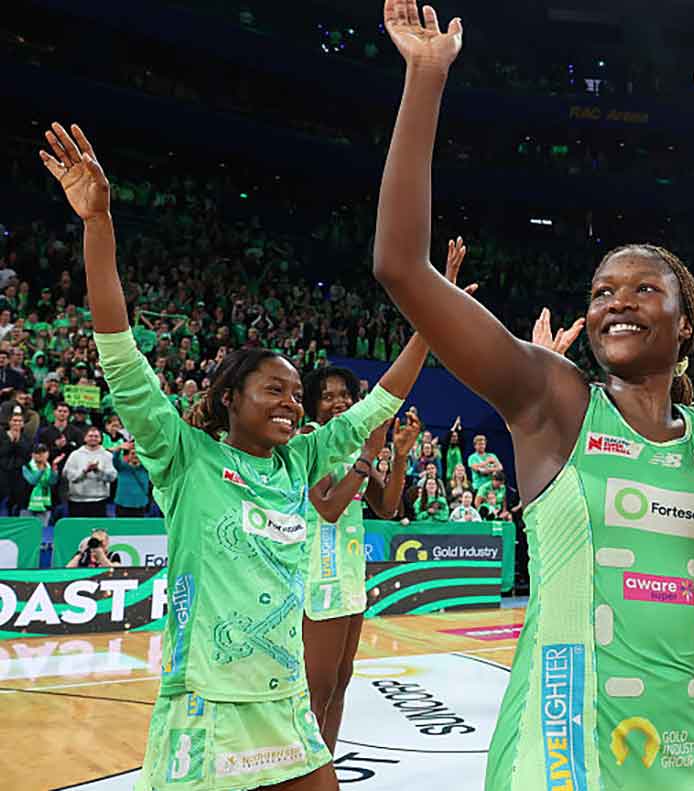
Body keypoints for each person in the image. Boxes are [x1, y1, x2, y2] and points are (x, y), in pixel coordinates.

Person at [372, 5, 694, 787]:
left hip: (680, 761)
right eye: (601, 290)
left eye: (642, 288)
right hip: (559, 756)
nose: (614, 301)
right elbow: (401, 264)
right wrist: (426, 78)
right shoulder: (552, 401)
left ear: (687, 323)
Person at [43, 121, 416, 791]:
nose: (292, 404)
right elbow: (122, 357)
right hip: (206, 706)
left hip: (284, 700)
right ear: (229, 397)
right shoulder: (183, 455)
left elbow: (376, 407)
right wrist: (98, 224)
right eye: (275, 389)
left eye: (297, 394)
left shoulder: (300, 461)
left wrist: (428, 328)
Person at [299, 363, 422, 754]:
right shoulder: (310, 438)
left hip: (349, 579)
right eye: (328, 395)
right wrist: (368, 454)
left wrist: (398, 455)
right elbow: (327, 507)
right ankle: (300, 774)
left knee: (339, 683)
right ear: (312, 403)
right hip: (316, 578)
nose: (339, 402)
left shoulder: (354, 449)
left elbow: (387, 508)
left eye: (345, 395)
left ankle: (325, 768)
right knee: (316, 689)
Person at [63, 426, 116, 517]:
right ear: (85, 438)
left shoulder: (107, 455)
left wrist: (98, 471)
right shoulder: (75, 455)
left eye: (96, 436)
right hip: (77, 501)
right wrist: (84, 471)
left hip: (99, 501)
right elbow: (68, 475)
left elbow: (112, 477)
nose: (93, 438)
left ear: (100, 439)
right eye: (90, 436)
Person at [113, 440, 153, 517]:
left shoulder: (146, 468)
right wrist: (119, 448)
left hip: (140, 505)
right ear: (128, 456)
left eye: (138, 454)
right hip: (122, 505)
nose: (135, 456)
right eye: (133, 453)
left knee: (139, 528)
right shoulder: (122, 467)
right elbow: (115, 459)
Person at [21, 443, 54, 526]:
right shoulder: (26, 466)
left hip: (45, 504)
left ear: (48, 454)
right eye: (37, 452)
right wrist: (41, 469)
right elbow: (32, 481)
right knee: (27, 531)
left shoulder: (50, 467)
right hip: (27, 505)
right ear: (32, 455)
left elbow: (53, 482)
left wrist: (54, 471)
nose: (41, 455)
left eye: (43, 452)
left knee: (42, 532)